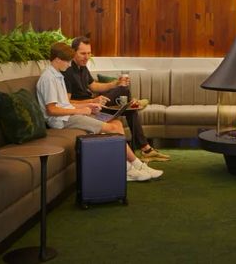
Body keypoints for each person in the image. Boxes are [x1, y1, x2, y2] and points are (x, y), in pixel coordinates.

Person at [36, 42, 164, 182]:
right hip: (62, 121)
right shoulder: (48, 78)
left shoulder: (57, 75)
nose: (69, 64)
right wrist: (81, 110)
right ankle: (132, 167)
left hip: (69, 115)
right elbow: (52, 109)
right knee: (110, 128)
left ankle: (132, 166)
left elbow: (65, 103)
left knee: (116, 123)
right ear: (57, 59)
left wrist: (90, 105)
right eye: (67, 61)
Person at [63, 36, 170, 161]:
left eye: (88, 53)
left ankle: (145, 148)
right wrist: (92, 101)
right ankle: (134, 105)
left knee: (130, 109)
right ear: (73, 52)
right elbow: (67, 103)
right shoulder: (67, 71)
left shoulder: (83, 67)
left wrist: (115, 83)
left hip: (97, 103)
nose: (87, 57)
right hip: (89, 108)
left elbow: (94, 86)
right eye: (82, 54)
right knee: (124, 92)